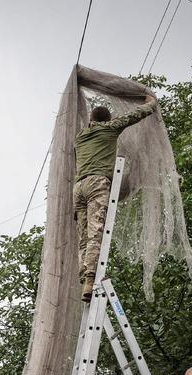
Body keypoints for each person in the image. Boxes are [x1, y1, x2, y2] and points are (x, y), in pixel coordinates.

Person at [73, 94, 158, 302]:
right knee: (95, 232)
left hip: (78, 188)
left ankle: (85, 276)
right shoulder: (109, 129)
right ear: (106, 120)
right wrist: (151, 104)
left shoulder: (80, 137)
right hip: (96, 184)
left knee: (83, 237)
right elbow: (133, 116)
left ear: (92, 120)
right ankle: (91, 279)